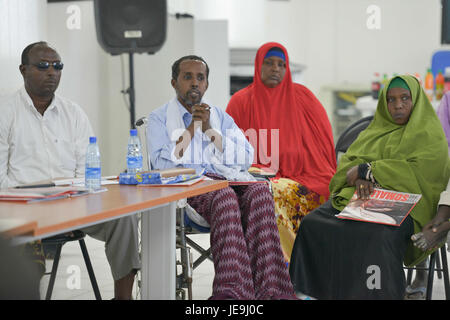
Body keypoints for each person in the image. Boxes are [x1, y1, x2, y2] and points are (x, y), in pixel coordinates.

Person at [147, 55, 296, 300]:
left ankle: (273, 291)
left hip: (229, 181)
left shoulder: (219, 117)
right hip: (192, 190)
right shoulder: (159, 118)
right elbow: (161, 165)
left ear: (206, 85)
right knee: (225, 197)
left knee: (260, 192)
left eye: (200, 78)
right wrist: (193, 127)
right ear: (174, 83)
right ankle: (232, 293)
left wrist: (209, 130)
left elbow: (246, 157)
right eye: (187, 77)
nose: (195, 83)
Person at [0, 42, 140, 300]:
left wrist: (75, 195)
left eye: (57, 66)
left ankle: (123, 297)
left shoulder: (73, 113)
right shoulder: (5, 110)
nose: (51, 72)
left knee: (125, 216)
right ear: (23, 70)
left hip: (72, 201)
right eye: (42, 66)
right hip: (23, 205)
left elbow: (87, 168)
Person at [289, 75, 450, 299]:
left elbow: (423, 174)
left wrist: (371, 171)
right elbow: (350, 164)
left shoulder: (430, 136)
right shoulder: (374, 131)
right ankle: (311, 292)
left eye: (405, 98)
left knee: (377, 235)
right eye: (391, 100)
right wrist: (360, 176)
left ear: (416, 100)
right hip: (363, 198)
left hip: (409, 205)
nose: (398, 105)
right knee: (313, 223)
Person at [226, 42, 336, 263]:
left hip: (306, 178)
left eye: (281, 64)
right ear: (258, 66)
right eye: (269, 63)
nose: (275, 69)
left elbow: (324, 149)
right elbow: (229, 152)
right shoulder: (241, 102)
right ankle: (280, 268)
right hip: (257, 181)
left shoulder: (304, 98)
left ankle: (293, 268)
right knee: (267, 193)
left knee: (274, 193)